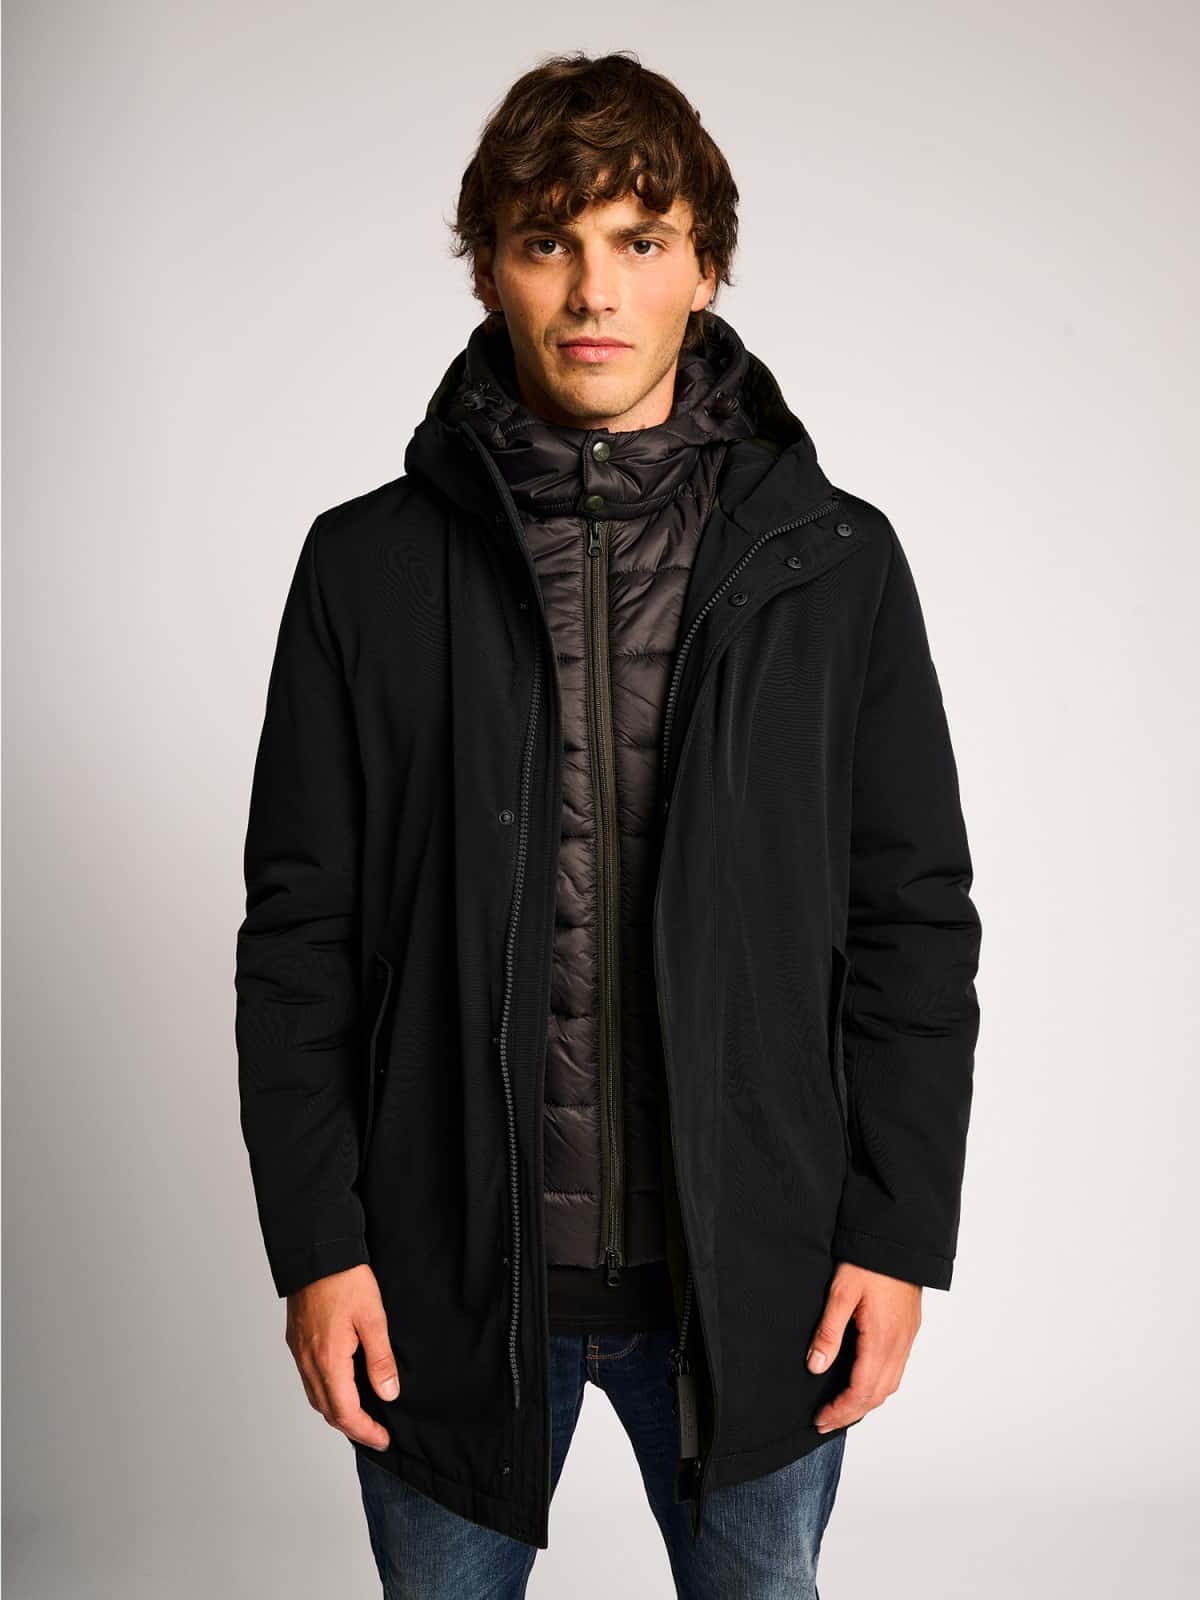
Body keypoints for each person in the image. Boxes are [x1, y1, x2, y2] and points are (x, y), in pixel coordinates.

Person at [235, 49, 982, 1600]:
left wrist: (898, 1235)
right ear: (488, 269)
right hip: (443, 1286)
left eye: (639, 239)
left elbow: (913, 922)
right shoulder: (363, 571)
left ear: (704, 266)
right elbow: (300, 938)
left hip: (761, 1286)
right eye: (547, 240)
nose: (594, 289)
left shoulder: (836, 565)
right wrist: (319, 1245)